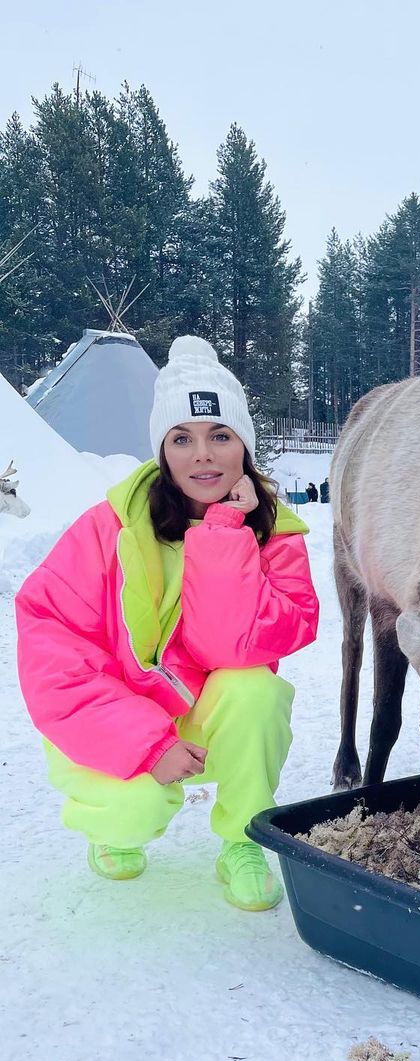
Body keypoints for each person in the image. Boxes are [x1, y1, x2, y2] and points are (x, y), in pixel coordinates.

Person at [16, 336, 320, 911]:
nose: (201, 454)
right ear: (162, 451)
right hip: (115, 716)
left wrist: (226, 532)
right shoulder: (107, 529)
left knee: (254, 688)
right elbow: (52, 649)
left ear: (244, 449)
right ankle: (111, 828)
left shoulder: (275, 537)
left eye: (219, 436)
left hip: (204, 713)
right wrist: (146, 743)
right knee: (133, 817)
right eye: (182, 439)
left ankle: (242, 840)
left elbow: (231, 645)